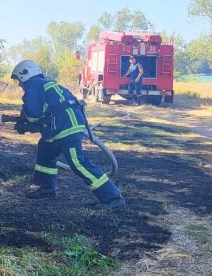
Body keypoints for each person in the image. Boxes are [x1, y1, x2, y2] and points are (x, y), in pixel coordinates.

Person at [10, 60, 126, 210]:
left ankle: (113, 197)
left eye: (18, 80)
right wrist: (24, 121)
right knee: (46, 149)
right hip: (62, 125)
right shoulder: (44, 84)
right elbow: (43, 111)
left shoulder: (33, 85)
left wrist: (24, 124)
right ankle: (47, 188)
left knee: (77, 162)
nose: (19, 85)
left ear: (25, 75)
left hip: (66, 127)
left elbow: (33, 114)